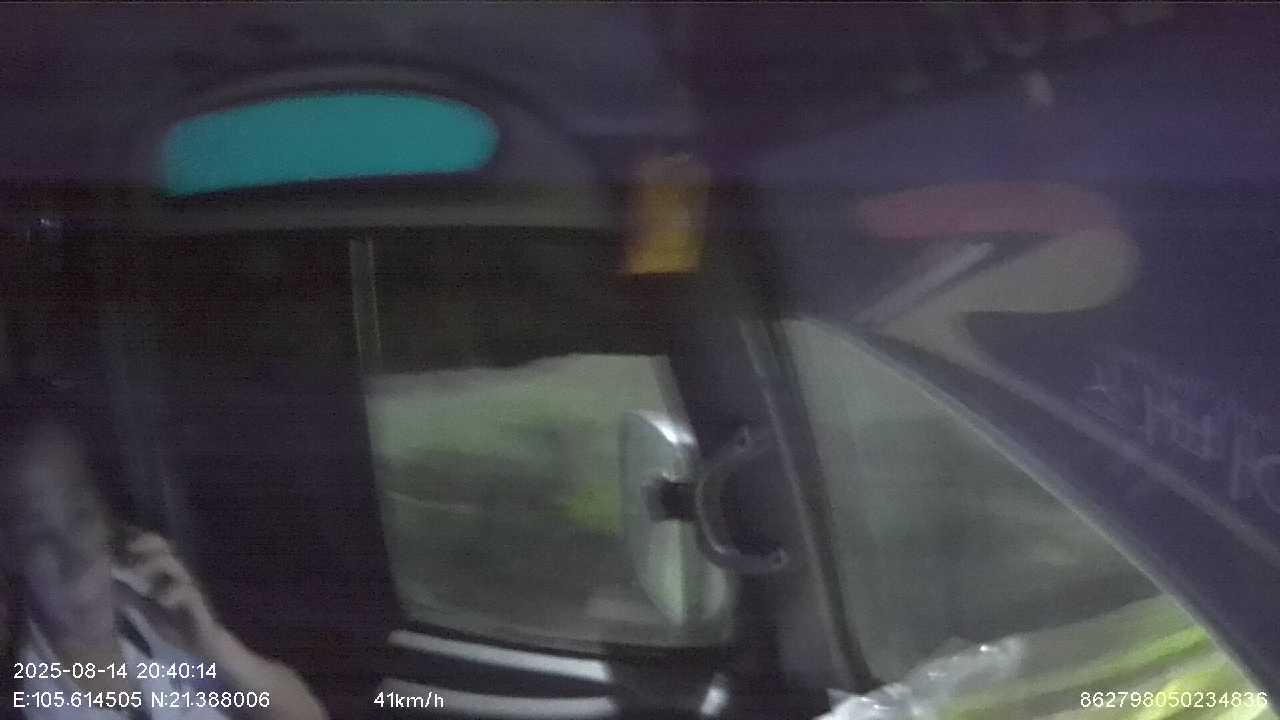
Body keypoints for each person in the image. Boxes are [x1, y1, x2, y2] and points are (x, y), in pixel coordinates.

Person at [0, 378, 328, 720]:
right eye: (38, 535)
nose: (75, 558)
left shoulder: (157, 609)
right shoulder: (24, 701)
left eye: (80, 513)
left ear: (104, 511)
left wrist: (214, 645)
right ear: (8, 553)